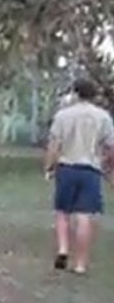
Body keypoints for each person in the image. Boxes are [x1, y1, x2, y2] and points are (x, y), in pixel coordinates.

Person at [44, 78, 114, 273]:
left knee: (62, 212)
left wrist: (49, 166)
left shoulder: (63, 116)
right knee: (84, 216)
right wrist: (109, 169)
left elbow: (54, 144)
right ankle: (81, 264)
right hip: (90, 170)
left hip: (66, 168)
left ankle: (63, 249)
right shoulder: (103, 117)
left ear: (75, 93)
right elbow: (110, 147)